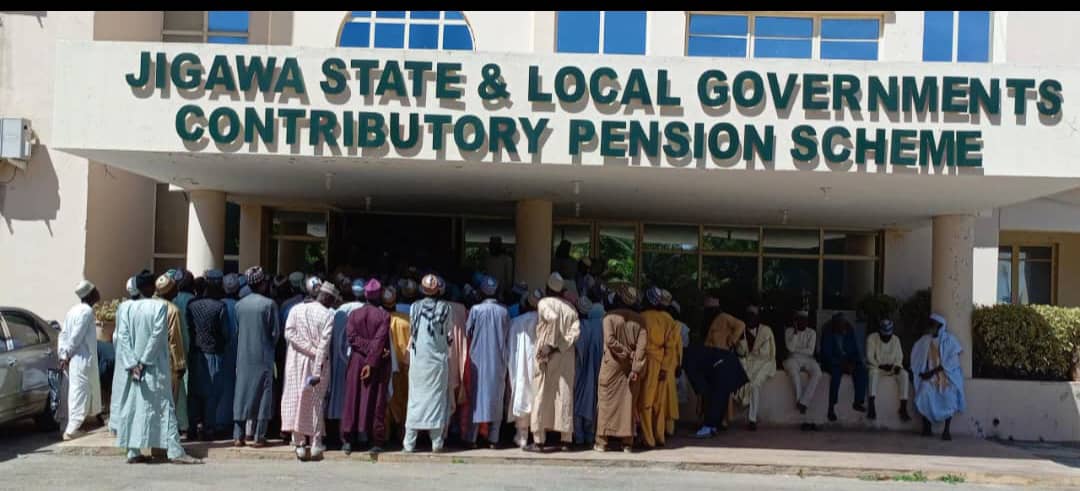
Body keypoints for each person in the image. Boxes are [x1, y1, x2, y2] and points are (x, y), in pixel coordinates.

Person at [112, 274, 199, 464]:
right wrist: (143, 362)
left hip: (133, 369)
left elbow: (122, 337)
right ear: (151, 288)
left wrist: (133, 364)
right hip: (154, 367)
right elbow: (157, 336)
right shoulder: (159, 307)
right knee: (165, 408)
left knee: (133, 407)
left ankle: (133, 451)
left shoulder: (125, 308)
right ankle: (175, 451)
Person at [281, 281, 339, 461]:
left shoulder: (295, 309)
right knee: (315, 403)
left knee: (296, 399)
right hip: (317, 363)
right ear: (326, 297)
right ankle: (315, 443)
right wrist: (316, 364)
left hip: (295, 362)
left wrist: (306, 348)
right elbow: (323, 345)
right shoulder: (327, 315)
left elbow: (289, 334)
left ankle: (299, 443)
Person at [525, 273, 580, 453]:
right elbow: (575, 333)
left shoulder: (544, 303)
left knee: (541, 393)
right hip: (565, 355)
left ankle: (539, 440)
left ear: (548, 288)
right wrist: (560, 346)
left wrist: (550, 345)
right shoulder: (571, 308)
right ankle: (566, 439)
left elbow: (553, 318)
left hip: (546, 354)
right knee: (564, 393)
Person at [403, 274, 453, 453]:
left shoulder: (414, 307)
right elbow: (448, 334)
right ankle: (437, 443)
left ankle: (409, 443)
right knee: (437, 401)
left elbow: (413, 332)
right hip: (437, 362)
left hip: (418, 361)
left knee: (415, 400)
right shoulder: (446, 308)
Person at [341, 279, 391, 455]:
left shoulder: (354, 315)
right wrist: (371, 356)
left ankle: (348, 439)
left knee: (352, 397)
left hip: (356, 359)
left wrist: (365, 350)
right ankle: (375, 439)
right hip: (376, 362)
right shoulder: (384, 316)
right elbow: (379, 341)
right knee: (375, 400)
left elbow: (352, 337)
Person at [233, 267, 281, 448]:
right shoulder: (269, 304)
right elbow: (275, 334)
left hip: (243, 357)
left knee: (242, 393)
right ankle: (259, 436)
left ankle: (238, 436)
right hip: (263, 356)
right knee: (263, 395)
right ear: (262, 284)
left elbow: (237, 331)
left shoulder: (239, 305)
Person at [595, 285, 647, 452]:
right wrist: (636, 367)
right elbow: (642, 348)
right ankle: (627, 443)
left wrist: (625, 353)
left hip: (611, 365)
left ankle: (602, 442)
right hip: (631, 367)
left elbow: (609, 341)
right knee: (628, 404)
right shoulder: (640, 321)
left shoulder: (609, 317)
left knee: (606, 402)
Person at [464, 276, 510, 448]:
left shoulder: (475, 310)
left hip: (478, 360)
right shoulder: (504, 312)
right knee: (496, 399)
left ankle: (472, 438)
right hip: (498, 360)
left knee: (476, 399)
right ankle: (493, 439)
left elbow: (468, 332)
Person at [186, 270, 229, 441]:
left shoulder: (192, 305)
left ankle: (192, 428)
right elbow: (226, 332)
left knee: (194, 393)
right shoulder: (220, 307)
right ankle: (208, 429)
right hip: (213, 353)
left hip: (195, 353)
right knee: (211, 394)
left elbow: (189, 328)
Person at [59, 280, 103, 441]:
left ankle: (73, 426)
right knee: (80, 394)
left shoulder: (73, 310)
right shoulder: (86, 311)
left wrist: (63, 354)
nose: (98, 292)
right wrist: (66, 354)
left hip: (76, 359)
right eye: (95, 290)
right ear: (90, 294)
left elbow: (63, 335)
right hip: (82, 359)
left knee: (78, 392)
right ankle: (71, 430)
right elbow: (75, 336)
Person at [911, 314, 965, 441]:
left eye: (933, 325)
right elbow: (917, 357)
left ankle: (946, 430)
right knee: (923, 392)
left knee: (950, 395)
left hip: (947, 375)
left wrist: (933, 372)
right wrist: (921, 371)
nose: (931, 327)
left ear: (940, 327)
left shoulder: (949, 340)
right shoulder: (925, 340)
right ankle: (927, 427)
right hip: (930, 376)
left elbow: (953, 362)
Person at [639, 287, 680, 446]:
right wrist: (665, 367)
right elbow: (671, 347)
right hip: (662, 364)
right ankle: (659, 436)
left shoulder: (641, 317)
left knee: (645, 402)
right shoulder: (668, 320)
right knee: (659, 402)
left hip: (646, 362)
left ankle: (649, 439)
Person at [327, 278, 365, 447]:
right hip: (360, 363)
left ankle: (340, 437)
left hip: (339, 362)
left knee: (340, 399)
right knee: (359, 399)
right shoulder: (368, 310)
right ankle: (360, 437)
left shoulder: (338, 313)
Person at [702, 298, 746, 429]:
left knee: (721, 392)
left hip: (722, 358)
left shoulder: (724, 317)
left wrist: (732, 340)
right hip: (710, 359)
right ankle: (711, 421)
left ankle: (722, 421)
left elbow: (741, 325)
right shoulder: (709, 321)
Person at [507, 288, 542, 449]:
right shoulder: (543, 322)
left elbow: (509, 347)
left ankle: (522, 437)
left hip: (520, 366)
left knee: (522, 395)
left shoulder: (516, 322)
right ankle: (538, 436)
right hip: (539, 365)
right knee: (537, 397)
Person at [734, 304, 776, 431]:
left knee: (755, 384)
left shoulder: (766, 330)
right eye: (748, 316)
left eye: (753, 316)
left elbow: (766, 353)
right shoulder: (742, 331)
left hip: (765, 362)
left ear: (758, 317)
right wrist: (742, 341)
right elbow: (741, 353)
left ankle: (752, 419)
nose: (750, 318)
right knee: (743, 378)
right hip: (750, 362)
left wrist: (752, 353)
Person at [152, 274, 187, 423]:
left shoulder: (148, 305)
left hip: (149, 361)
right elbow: (175, 340)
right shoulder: (172, 310)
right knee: (169, 403)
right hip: (167, 363)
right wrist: (180, 365)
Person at [821, 312, 868, 422]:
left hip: (847, 361)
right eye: (840, 325)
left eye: (844, 324)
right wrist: (841, 364)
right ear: (835, 325)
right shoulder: (828, 333)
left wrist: (853, 363)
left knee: (862, 370)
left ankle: (858, 401)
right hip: (833, 362)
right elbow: (826, 355)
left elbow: (855, 351)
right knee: (835, 375)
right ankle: (831, 408)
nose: (843, 327)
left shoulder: (849, 331)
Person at [573, 294, 605, 447]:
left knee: (577, 402)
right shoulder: (600, 327)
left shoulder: (577, 326)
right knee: (592, 402)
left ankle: (578, 437)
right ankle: (590, 435)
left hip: (579, 371)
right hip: (595, 372)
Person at [782, 310, 822, 431]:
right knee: (794, 373)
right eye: (800, 320)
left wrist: (796, 349)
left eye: (804, 320)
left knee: (817, 373)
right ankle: (800, 401)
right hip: (792, 358)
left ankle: (804, 401)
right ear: (796, 321)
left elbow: (810, 351)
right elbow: (790, 348)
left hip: (808, 359)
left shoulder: (812, 332)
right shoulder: (789, 331)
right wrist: (795, 333)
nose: (802, 322)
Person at [867, 319, 911, 422]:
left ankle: (903, 407)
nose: (886, 337)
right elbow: (870, 357)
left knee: (904, 374)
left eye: (888, 336)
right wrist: (880, 366)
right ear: (880, 332)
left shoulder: (896, 340)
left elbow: (899, 357)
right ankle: (871, 405)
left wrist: (896, 366)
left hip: (892, 368)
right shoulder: (872, 338)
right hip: (877, 367)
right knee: (872, 373)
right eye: (884, 335)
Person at [385, 286, 412, 443]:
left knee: (387, 399)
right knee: (405, 399)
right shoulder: (407, 320)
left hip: (387, 365)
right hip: (405, 365)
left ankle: (386, 434)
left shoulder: (382, 318)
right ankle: (402, 433)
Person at [172, 269, 196, 438]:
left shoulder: (171, 301)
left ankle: (180, 423)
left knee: (178, 389)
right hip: (191, 348)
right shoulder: (193, 300)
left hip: (175, 350)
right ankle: (188, 423)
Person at [217, 273, 241, 439]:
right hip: (238, 352)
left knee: (222, 387)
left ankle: (220, 421)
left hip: (222, 352)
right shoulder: (240, 305)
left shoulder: (219, 305)